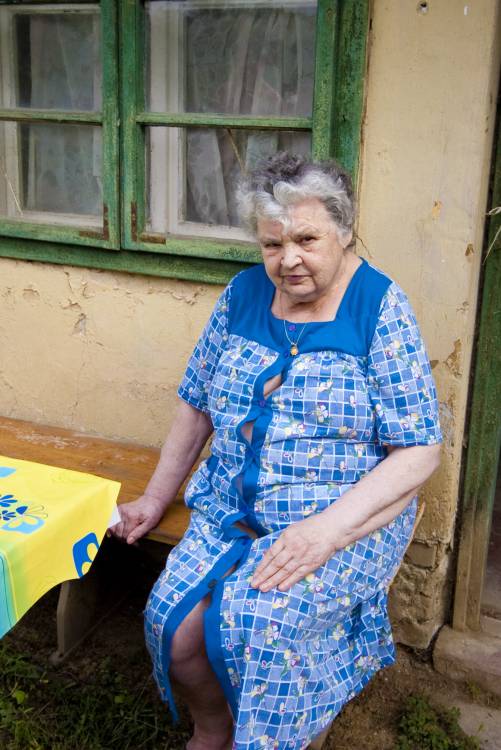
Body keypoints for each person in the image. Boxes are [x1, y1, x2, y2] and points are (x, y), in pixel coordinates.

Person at [111, 153, 442, 750]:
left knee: (258, 627)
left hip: (343, 520)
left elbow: (418, 452)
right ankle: (214, 729)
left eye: (306, 239)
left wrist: (325, 533)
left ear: (343, 230)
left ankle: (267, 740)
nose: (287, 260)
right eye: (271, 244)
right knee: (171, 624)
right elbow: (196, 403)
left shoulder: (380, 307)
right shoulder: (242, 294)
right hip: (229, 510)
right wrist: (157, 497)